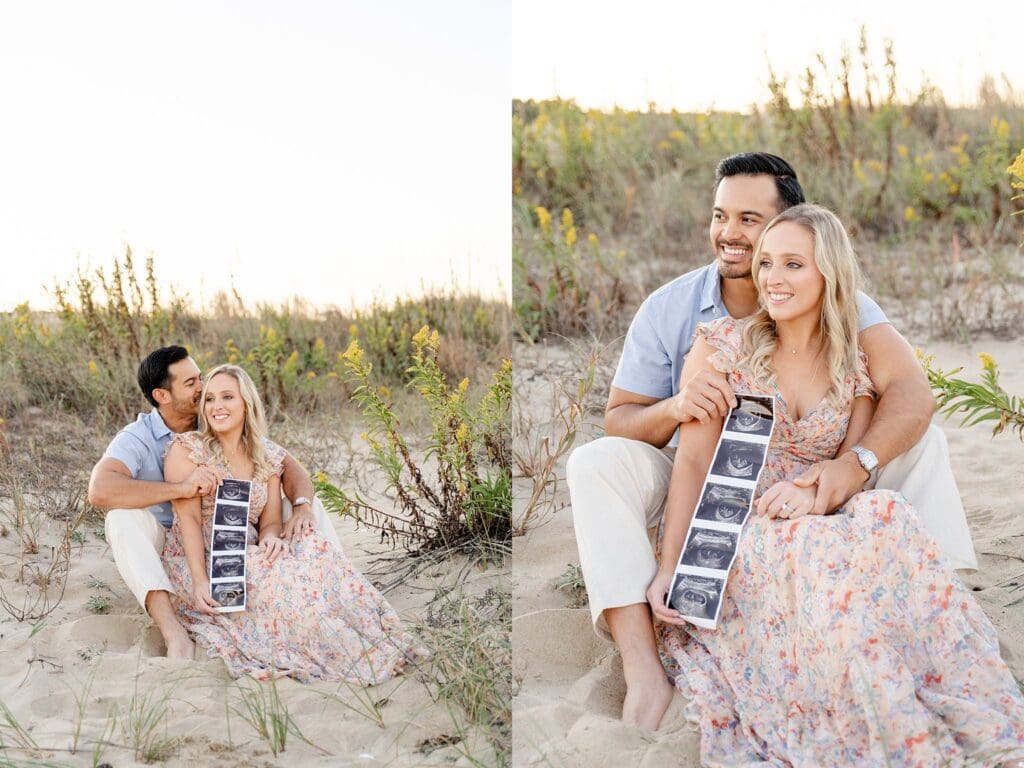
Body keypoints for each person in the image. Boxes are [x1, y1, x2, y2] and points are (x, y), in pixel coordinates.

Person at [566, 152, 977, 730]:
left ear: (797, 228)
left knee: (922, 441)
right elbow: (623, 420)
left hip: (815, 474)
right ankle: (642, 668)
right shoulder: (675, 309)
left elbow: (907, 392)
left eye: (749, 220)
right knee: (594, 462)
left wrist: (849, 468)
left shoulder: (846, 307)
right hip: (697, 466)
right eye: (720, 216)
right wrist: (679, 406)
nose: (730, 235)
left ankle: (941, 607)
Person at [650, 203, 1024, 765]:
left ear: (830, 272)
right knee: (819, 547)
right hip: (747, 526)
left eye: (794, 264)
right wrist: (669, 567)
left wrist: (820, 489)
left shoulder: (852, 355)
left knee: (887, 515)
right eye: (768, 263)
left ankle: (928, 686)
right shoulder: (723, 347)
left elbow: (854, 461)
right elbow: (694, 463)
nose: (774, 278)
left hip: (821, 512)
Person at [161, 363, 425, 681]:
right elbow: (187, 519)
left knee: (311, 546)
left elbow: (270, 520)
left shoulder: (266, 457)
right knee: (292, 595)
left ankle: (368, 633)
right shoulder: (187, 449)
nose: (217, 407)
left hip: (248, 550)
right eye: (210, 399)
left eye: (228, 397)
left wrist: (272, 537)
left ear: (246, 402)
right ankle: (339, 647)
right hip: (199, 559)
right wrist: (200, 580)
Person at [89, 346, 342, 659]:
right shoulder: (138, 437)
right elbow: (100, 490)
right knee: (120, 519)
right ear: (162, 395)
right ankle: (172, 630)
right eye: (192, 384)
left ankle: (337, 589)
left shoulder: (215, 417)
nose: (202, 388)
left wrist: (300, 506)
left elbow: (289, 467)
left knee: (309, 507)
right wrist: (180, 488)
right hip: (169, 534)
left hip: (231, 531)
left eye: (201, 379)